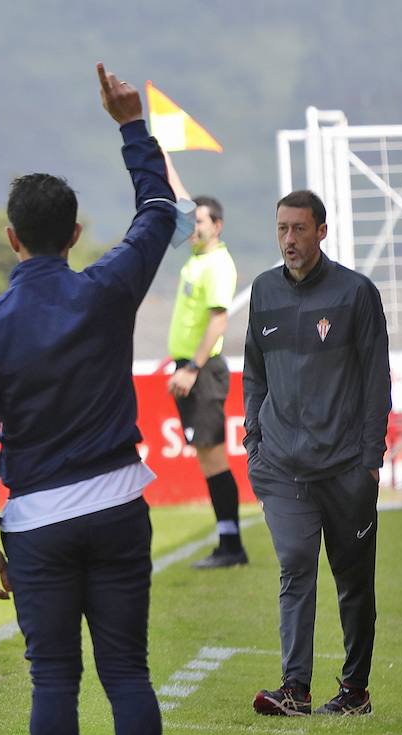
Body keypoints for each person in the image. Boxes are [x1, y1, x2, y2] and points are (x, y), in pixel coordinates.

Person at [0, 64, 178, 735]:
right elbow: (160, 212)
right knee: (128, 670)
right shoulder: (107, 288)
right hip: (121, 503)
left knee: (54, 678)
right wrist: (131, 125)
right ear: (76, 234)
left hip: (40, 525)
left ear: (12, 238)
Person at [245, 190, 390, 718]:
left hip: (347, 466)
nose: (289, 239)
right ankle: (295, 689)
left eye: (299, 229)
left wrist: (371, 458)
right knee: (296, 563)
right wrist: (253, 442)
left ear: (321, 232)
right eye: (282, 228)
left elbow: (377, 379)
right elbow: (253, 372)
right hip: (282, 465)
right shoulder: (262, 292)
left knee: (353, 581)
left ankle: (355, 692)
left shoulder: (356, 294)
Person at [161, 155, 246, 568]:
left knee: (212, 455)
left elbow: (218, 320)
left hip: (202, 371)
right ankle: (228, 542)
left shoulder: (216, 263)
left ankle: (231, 545)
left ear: (218, 226)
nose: (193, 227)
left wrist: (192, 368)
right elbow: (180, 203)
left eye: (201, 222)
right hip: (191, 368)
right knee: (206, 455)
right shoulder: (197, 259)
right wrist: (165, 161)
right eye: (192, 221)